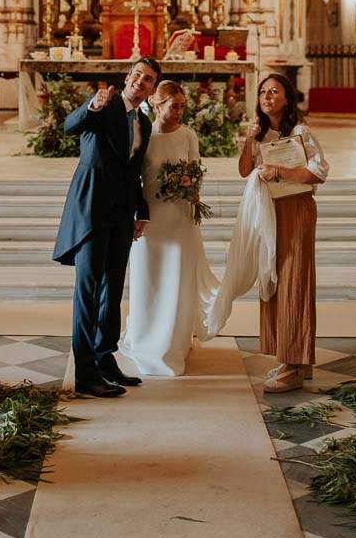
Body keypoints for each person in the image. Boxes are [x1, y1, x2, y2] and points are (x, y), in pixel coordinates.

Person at [53, 57, 161, 397]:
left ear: (152, 90)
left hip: (121, 214)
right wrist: (91, 107)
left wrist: (139, 211)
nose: (140, 82)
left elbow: (133, 172)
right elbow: (69, 127)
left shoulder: (143, 121)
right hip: (91, 208)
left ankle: (104, 356)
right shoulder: (105, 103)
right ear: (127, 77)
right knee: (88, 290)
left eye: (148, 80)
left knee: (113, 289)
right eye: (137, 75)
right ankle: (85, 372)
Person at [238, 74, 328, 392]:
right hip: (270, 212)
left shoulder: (300, 131)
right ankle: (295, 359)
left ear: (287, 97)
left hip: (296, 209)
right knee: (273, 277)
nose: (267, 96)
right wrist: (250, 139)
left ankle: (293, 361)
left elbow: (320, 171)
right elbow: (245, 170)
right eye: (263, 91)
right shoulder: (262, 132)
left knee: (294, 280)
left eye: (274, 91)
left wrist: (280, 171)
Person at [122, 81, 218, 375]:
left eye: (182, 106)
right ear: (156, 105)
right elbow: (133, 176)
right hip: (151, 216)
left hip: (180, 216)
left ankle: (175, 341)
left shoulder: (188, 134)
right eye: (173, 106)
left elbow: (195, 168)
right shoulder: (144, 134)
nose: (178, 112)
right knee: (150, 277)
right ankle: (145, 336)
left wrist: (191, 188)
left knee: (177, 278)